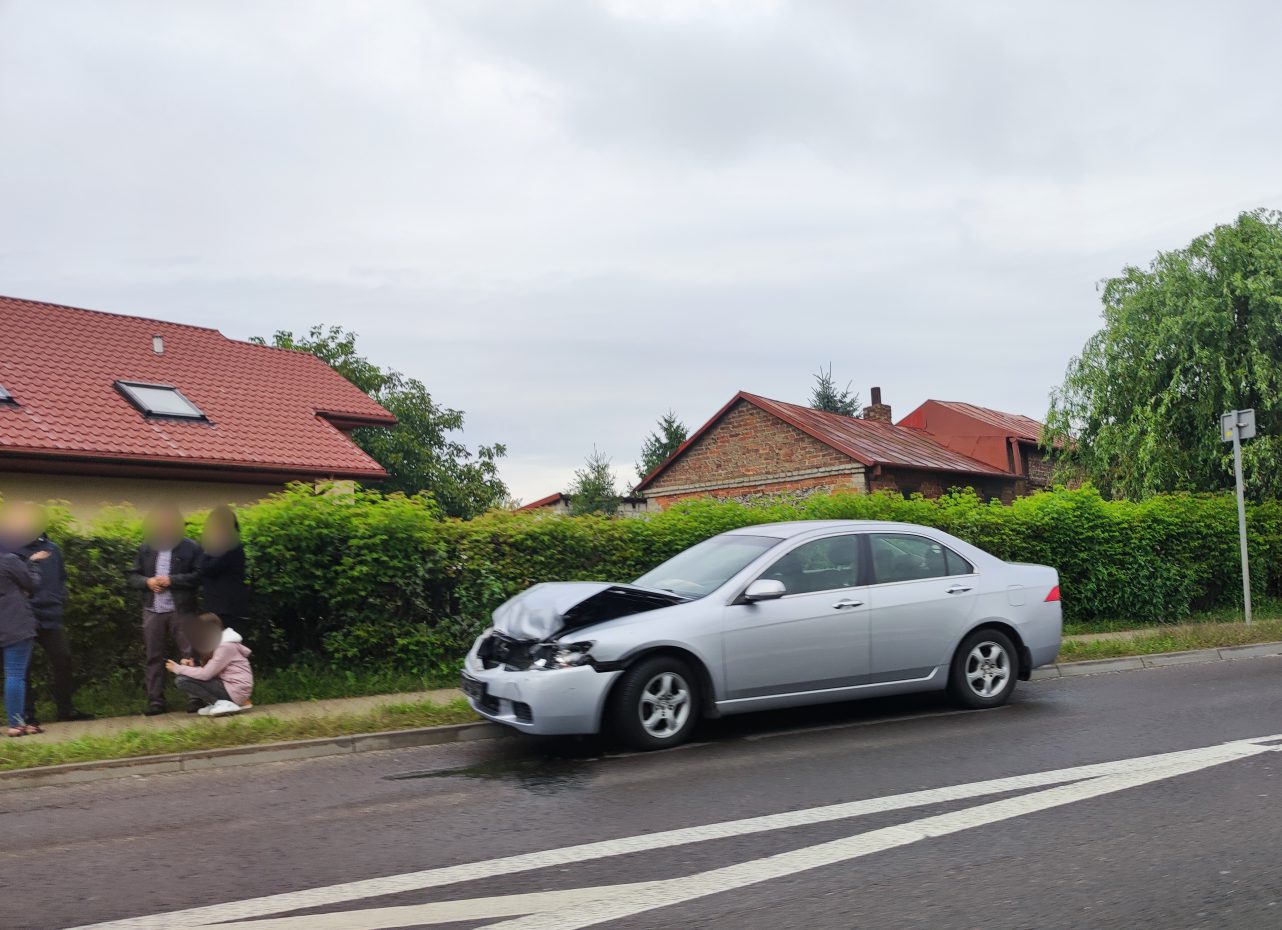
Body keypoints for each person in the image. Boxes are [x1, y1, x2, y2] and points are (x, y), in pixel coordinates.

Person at [12, 503, 92, 724]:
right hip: (23, 617)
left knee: (63, 659)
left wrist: (60, 597)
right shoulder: (10, 551)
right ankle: (26, 714)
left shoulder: (53, 549)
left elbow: (61, 578)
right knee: (22, 667)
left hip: (51, 615)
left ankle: (65, 709)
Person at [127, 506, 202, 716]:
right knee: (153, 655)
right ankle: (156, 701)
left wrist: (172, 580)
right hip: (152, 609)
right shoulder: (146, 548)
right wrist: (147, 582)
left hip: (182, 609)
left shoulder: (191, 548)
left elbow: (199, 576)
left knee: (189, 654)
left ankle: (196, 697)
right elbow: (132, 576)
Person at [0, 504, 50, 737]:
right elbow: (32, 584)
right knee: (15, 674)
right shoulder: (9, 559)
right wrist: (34, 564)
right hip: (14, 623)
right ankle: (16, 723)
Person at [166, 612, 253, 716]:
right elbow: (211, 672)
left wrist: (177, 668)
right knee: (184, 677)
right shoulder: (220, 644)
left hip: (235, 690)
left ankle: (223, 704)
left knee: (182, 680)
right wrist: (191, 667)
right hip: (230, 687)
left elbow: (206, 674)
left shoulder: (225, 647)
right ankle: (220, 703)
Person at [199, 505, 250, 633]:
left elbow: (208, 568)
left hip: (227, 607)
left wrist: (205, 553)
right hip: (218, 605)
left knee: (227, 645)